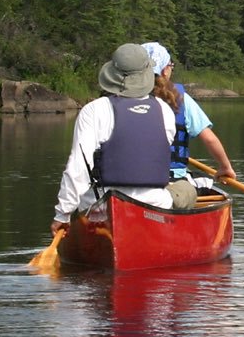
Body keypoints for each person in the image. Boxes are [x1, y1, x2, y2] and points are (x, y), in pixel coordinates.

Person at [50, 44, 179, 235]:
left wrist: (62, 215)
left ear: (112, 74)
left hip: (101, 208)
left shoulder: (94, 110)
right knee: (187, 190)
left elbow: (77, 168)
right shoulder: (165, 110)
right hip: (154, 205)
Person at [141, 42, 238, 185]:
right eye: (171, 66)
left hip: (132, 177)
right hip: (172, 178)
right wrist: (225, 167)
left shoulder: (122, 99)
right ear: (165, 70)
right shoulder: (180, 98)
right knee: (202, 181)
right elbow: (210, 139)